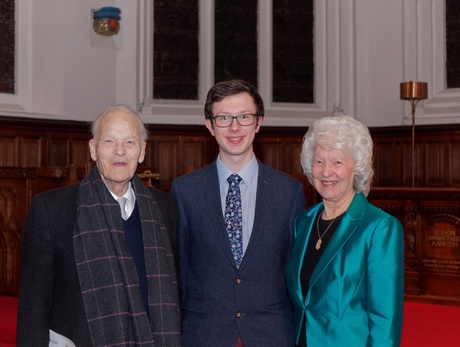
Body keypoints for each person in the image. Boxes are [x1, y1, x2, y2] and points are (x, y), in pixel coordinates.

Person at [16, 105, 181, 347]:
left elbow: (175, 296)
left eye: (129, 142)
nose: (119, 152)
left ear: (142, 151)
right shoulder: (52, 210)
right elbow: (33, 307)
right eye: (109, 141)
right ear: (93, 149)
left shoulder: (164, 209)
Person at [170, 79, 306, 347]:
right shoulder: (185, 191)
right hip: (204, 333)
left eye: (244, 116)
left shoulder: (288, 192)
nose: (234, 127)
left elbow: (294, 271)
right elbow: (179, 270)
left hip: (271, 333)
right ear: (210, 125)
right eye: (223, 118)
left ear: (258, 123)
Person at [285, 115, 404, 346]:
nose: (326, 172)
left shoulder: (379, 227)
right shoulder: (302, 222)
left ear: (356, 169)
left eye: (337, 162)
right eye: (319, 161)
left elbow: (385, 318)